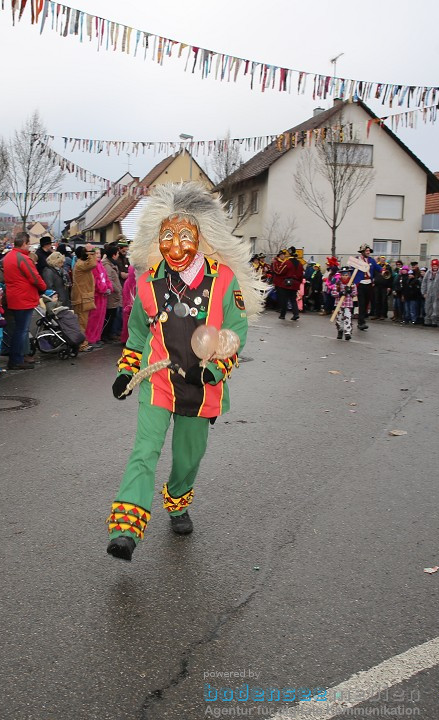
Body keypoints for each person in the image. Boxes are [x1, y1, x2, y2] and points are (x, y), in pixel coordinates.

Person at [106, 183, 262, 562]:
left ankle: (177, 502)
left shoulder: (223, 279)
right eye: (167, 236)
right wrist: (128, 370)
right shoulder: (147, 283)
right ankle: (126, 530)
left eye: (185, 236)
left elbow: (236, 331)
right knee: (144, 451)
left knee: (187, 457)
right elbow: (140, 332)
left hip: (201, 387)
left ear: (201, 236)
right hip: (158, 381)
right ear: (157, 237)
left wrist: (215, 369)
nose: (175, 246)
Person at [1, 231, 46, 370]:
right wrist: (43, 287)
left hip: (13, 297)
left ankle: (16, 358)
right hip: (24, 298)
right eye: (28, 244)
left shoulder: (8, 257)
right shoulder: (23, 259)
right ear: (25, 243)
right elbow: (35, 277)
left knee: (17, 329)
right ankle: (16, 359)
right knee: (21, 331)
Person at [71, 244, 97, 352]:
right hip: (81, 298)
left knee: (83, 322)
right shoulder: (81, 264)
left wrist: (89, 252)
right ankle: (82, 344)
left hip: (83, 297)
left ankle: (83, 343)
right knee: (81, 322)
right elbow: (93, 263)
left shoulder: (81, 264)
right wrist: (90, 252)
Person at [86, 247, 113, 345]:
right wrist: (103, 289)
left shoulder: (101, 265)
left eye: (99, 253)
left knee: (100, 319)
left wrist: (109, 287)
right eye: (96, 253)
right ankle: (91, 339)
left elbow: (106, 278)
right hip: (96, 296)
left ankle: (97, 337)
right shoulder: (92, 267)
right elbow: (95, 281)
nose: (98, 255)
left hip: (103, 296)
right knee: (93, 319)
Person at [270, 249, 302, 321]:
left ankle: (282, 315)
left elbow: (279, 272)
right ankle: (296, 314)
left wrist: (274, 264)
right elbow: (301, 275)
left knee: (285, 299)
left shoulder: (287, 262)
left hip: (288, 283)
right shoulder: (299, 264)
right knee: (293, 299)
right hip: (296, 283)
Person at [353, 244, 380, 329]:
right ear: (362, 252)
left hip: (369, 284)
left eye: (369, 251)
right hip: (360, 284)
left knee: (366, 304)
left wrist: (383, 270)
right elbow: (352, 270)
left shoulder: (371, 260)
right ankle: (361, 322)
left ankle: (362, 320)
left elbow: (377, 267)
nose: (368, 252)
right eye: (367, 251)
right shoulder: (357, 260)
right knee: (362, 303)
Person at [101, 243, 123, 341]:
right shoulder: (107, 265)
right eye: (117, 254)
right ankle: (105, 335)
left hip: (114, 295)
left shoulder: (111, 264)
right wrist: (118, 289)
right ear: (114, 255)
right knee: (109, 316)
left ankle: (108, 334)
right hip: (111, 295)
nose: (118, 256)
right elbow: (109, 280)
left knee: (112, 316)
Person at [332, 265, 357, 340]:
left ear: (349, 275)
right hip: (339, 304)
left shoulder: (352, 284)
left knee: (347, 317)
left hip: (348, 304)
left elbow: (355, 293)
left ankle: (347, 333)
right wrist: (340, 293)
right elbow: (333, 293)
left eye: (346, 275)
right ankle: (340, 330)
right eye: (343, 275)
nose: (345, 277)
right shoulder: (338, 283)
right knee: (339, 319)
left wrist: (350, 291)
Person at [421, 259, 439, 327]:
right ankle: (427, 320)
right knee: (428, 307)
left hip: (437, 293)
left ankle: (434, 321)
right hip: (429, 293)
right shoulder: (428, 272)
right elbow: (424, 282)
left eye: (436, 266)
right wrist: (424, 292)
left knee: (436, 307)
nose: (435, 267)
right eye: (433, 266)